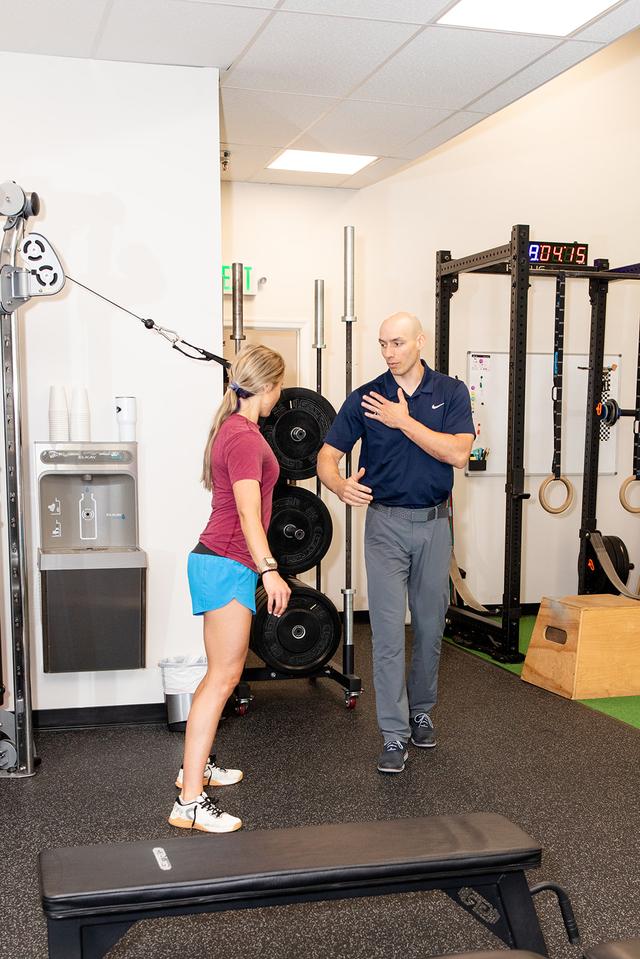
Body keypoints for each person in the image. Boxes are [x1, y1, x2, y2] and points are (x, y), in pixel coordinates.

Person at [317, 312, 474, 774]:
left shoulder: (450, 393)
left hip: (433, 524)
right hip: (384, 526)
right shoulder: (367, 397)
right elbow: (327, 457)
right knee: (386, 633)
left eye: (398, 343)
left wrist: (404, 421)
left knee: (429, 626)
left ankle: (420, 709)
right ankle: (392, 733)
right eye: (383, 343)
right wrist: (338, 484)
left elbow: (458, 454)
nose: (389, 352)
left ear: (420, 342)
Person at [169, 344, 291, 832]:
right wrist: (270, 569)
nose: (280, 394)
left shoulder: (238, 429)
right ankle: (190, 803)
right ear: (266, 386)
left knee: (218, 675)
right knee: (222, 679)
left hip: (222, 563)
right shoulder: (241, 437)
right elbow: (245, 513)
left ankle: (193, 771)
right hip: (226, 563)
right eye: (279, 385)